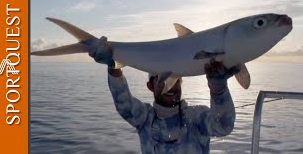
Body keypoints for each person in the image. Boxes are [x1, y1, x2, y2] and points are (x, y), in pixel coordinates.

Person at [92, 37, 240, 154]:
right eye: (161, 79)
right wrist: (113, 67)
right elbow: (123, 102)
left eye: (175, 79)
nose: (170, 85)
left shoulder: (197, 116)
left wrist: (218, 90)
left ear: (181, 82)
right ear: (151, 86)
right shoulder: (144, 117)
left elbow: (223, 126)